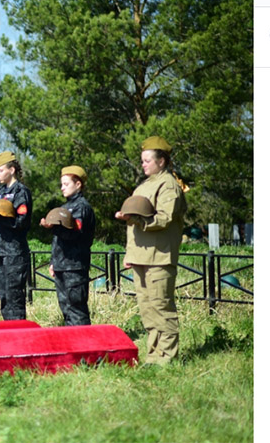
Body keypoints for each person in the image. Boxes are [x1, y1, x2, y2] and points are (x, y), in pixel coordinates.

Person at [115, 136, 187, 366]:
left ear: (162, 161)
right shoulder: (143, 186)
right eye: (142, 160)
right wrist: (129, 254)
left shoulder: (169, 185)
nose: (143, 164)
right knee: (147, 310)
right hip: (141, 257)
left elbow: (164, 218)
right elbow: (132, 228)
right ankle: (153, 356)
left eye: (148, 160)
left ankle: (167, 359)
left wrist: (135, 219)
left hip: (159, 256)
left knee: (161, 306)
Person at [40, 165, 95, 326]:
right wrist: (53, 262)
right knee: (66, 310)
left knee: (76, 310)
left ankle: (85, 347)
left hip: (75, 266)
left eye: (66, 184)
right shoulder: (64, 208)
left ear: (78, 184)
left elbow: (75, 235)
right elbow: (58, 242)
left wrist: (53, 228)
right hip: (62, 265)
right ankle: (74, 347)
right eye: (61, 184)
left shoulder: (82, 207)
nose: (62, 188)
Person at [0, 151, 32, 321]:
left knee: (14, 298)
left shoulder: (21, 193)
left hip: (14, 254)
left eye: (0, 170)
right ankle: (10, 334)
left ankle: (20, 338)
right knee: (4, 298)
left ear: (12, 170)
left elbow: (21, 223)